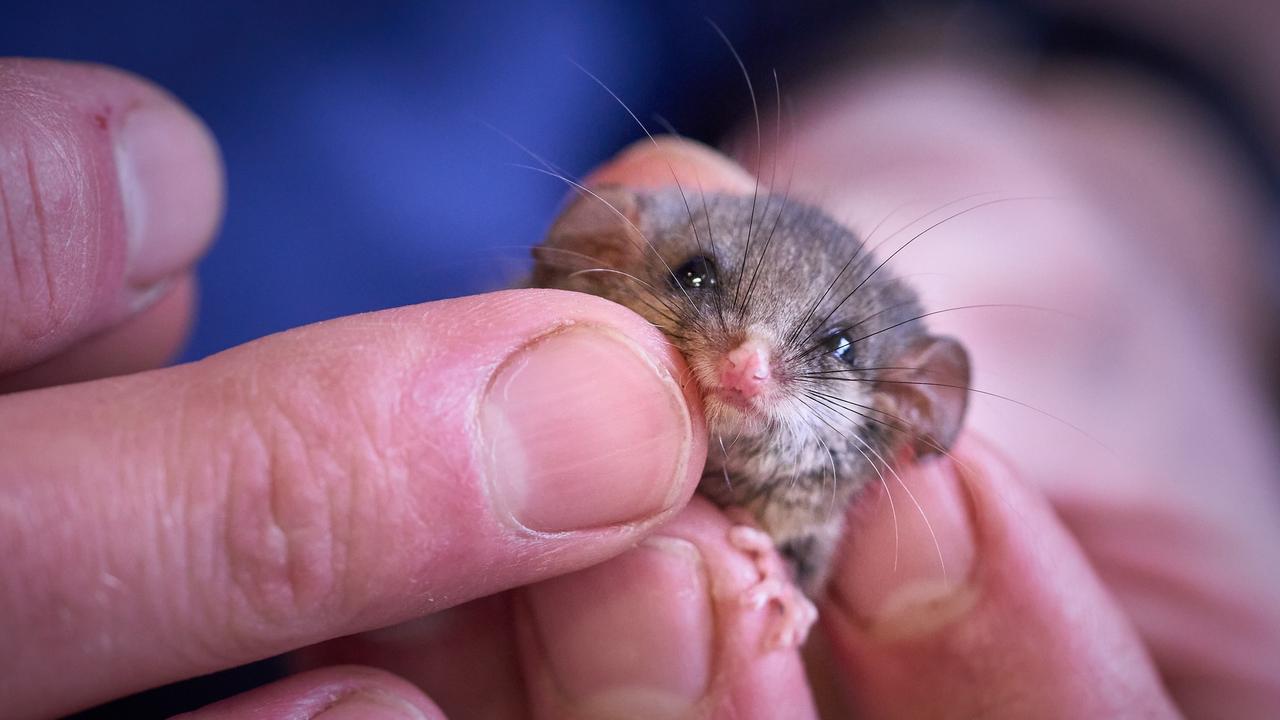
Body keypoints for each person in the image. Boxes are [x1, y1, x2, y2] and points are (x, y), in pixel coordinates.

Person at [1, 56, 1277, 719]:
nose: (746, 359)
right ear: (618, 250)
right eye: (706, 283)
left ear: (910, 401)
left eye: (824, 353)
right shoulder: (596, 289)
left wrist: (1152, 171)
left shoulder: (842, 474)